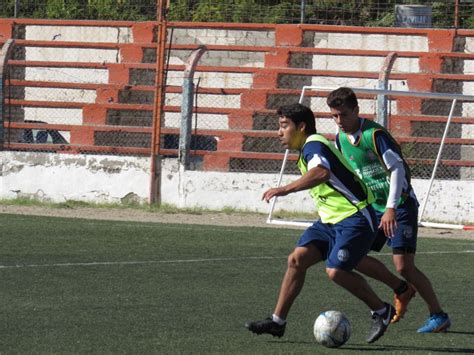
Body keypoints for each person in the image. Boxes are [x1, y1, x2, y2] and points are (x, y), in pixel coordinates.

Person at [245, 103, 395, 343]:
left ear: (301, 127)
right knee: (297, 259)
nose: (279, 132)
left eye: (284, 126)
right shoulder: (308, 148)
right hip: (330, 221)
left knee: (336, 271)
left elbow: (321, 173)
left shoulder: (314, 144)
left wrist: (285, 189)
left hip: (354, 217)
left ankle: (382, 310)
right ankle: (277, 322)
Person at [327, 87, 451, 333]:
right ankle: (401, 289)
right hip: (372, 208)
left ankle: (439, 315)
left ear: (356, 110)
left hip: (399, 206)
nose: (339, 121)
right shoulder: (340, 140)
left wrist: (391, 208)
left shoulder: (375, 135)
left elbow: (397, 170)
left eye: (343, 115)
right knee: (353, 256)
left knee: (404, 266)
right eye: (334, 116)